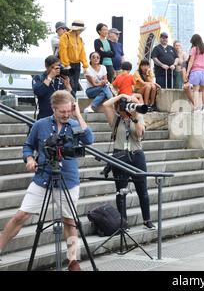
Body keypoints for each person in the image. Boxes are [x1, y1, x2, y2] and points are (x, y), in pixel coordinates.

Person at [0, 90, 94, 270]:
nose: (66, 115)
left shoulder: (75, 124)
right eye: (62, 112)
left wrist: (78, 115)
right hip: (43, 177)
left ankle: (72, 261)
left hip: (68, 179)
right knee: (21, 216)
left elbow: (89, 139)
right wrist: (29, 158)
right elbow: (28, 145)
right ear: (53, 109)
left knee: (69, 221)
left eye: (69, 111)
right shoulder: (40, 125)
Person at [102, 94, 155, 229]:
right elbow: (106, 105)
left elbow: (139, 135)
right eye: (125, 106)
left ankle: (147, 220)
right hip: (119, 156)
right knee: (121, 191)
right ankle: (123, 222)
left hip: (136, 155)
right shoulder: (115, 119)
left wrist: (135, 114)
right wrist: (121, 96)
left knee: (142, 189)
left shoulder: (138, 117)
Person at [33, 55, 72, 119]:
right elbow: (39, 92)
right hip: (44, 117)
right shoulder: (38, 78)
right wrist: (50, 77)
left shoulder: (62, 79)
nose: (56, 70)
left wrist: (68, 87)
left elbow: (71, 100)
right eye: (53, 67)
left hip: (61, 117)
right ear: (46, 67)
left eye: (58, 67)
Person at [59, 20, 89, 98]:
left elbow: (82, 53)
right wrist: (66, 65)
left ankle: (72, 104)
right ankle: (69, 102)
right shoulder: (65, 36)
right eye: (79, 29)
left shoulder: (80, 39)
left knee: (75, 86)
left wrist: (85, 66)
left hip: (77, 65)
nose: (81, 31)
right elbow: (63, 51)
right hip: (68, 65)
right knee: (69, 85)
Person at [186, 34, 204, 111]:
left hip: (196, 70)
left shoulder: (194, 49)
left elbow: (191, 61)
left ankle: (196, 107)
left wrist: (187, 72)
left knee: (195, 89)